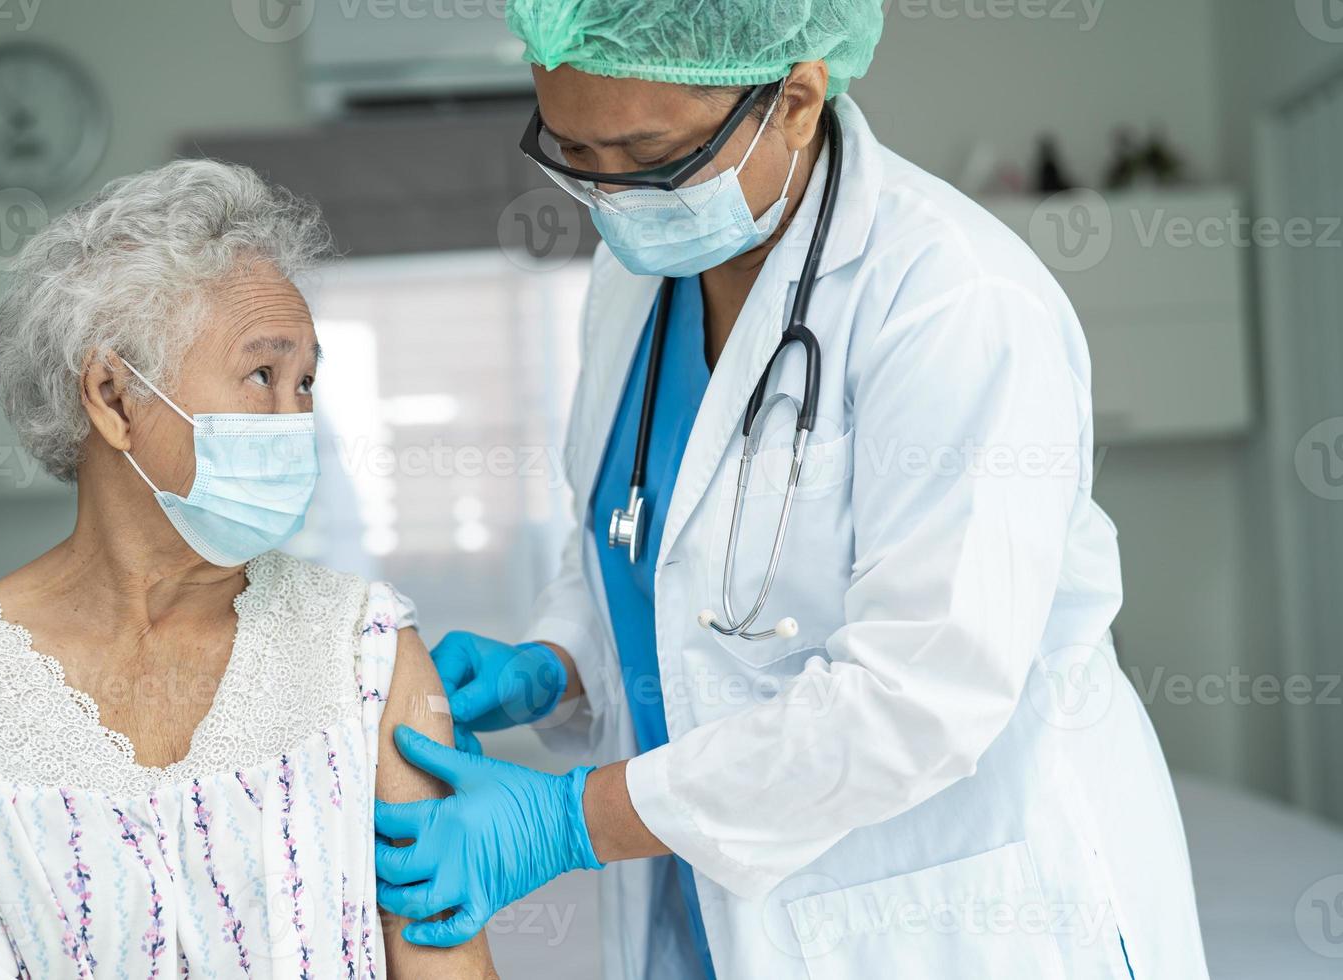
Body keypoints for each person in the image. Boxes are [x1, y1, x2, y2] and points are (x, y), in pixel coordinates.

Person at [372, 2, 1212, 978]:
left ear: (799, 99)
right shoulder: (633, 280)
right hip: (706, 908)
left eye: (649, 157)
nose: (611, 197)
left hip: (941, 918)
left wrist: (571, 818)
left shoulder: (954, 301)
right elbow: (632, 537)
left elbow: (920, 696)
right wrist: (557, 660)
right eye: (573, 154)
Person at [0, 160, 496, 978]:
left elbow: (445, 966)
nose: (294, 419)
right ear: (113, 396)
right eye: (262, 375)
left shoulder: (363, 649)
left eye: (307, 382)